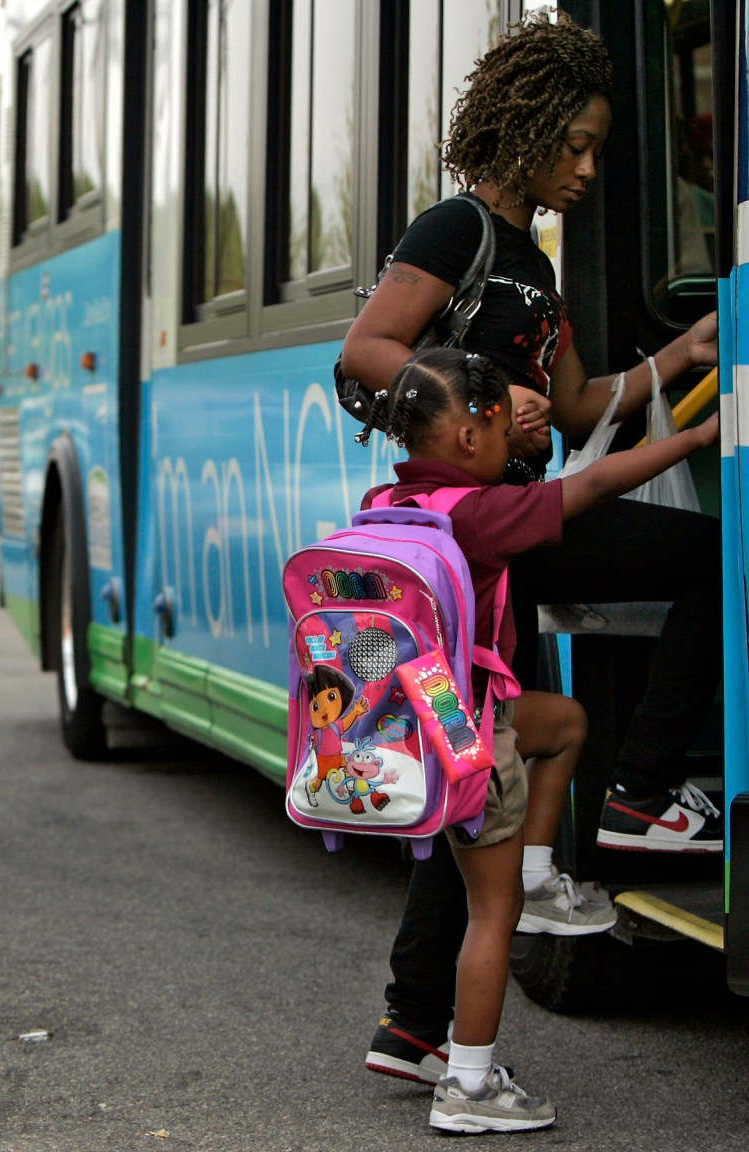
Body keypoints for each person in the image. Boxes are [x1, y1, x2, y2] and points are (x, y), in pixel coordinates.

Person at [339, 10, 722, 1084]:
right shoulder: (454, 231)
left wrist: (681, 354)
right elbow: (368, 350)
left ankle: (413, 1028)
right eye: (577, 145)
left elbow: (581, 401)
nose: (589, 168)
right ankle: (641, 792)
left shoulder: (535, 266)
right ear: (530, 127)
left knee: (477, 770)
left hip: (508, 538)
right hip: (475, 533)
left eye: (598, 149)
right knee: (704, 562)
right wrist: (481, 397)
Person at [364, 346, 718, 1133]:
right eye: (502, 430)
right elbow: (590, 487)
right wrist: (699, 438)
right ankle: (470, 1086)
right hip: (472, 734)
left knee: (564, 722)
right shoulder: (482, 512)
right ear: (468, 438)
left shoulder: (384, 503)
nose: (515, 443)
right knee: (492, 917)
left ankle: (533, 873)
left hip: (427, 720)